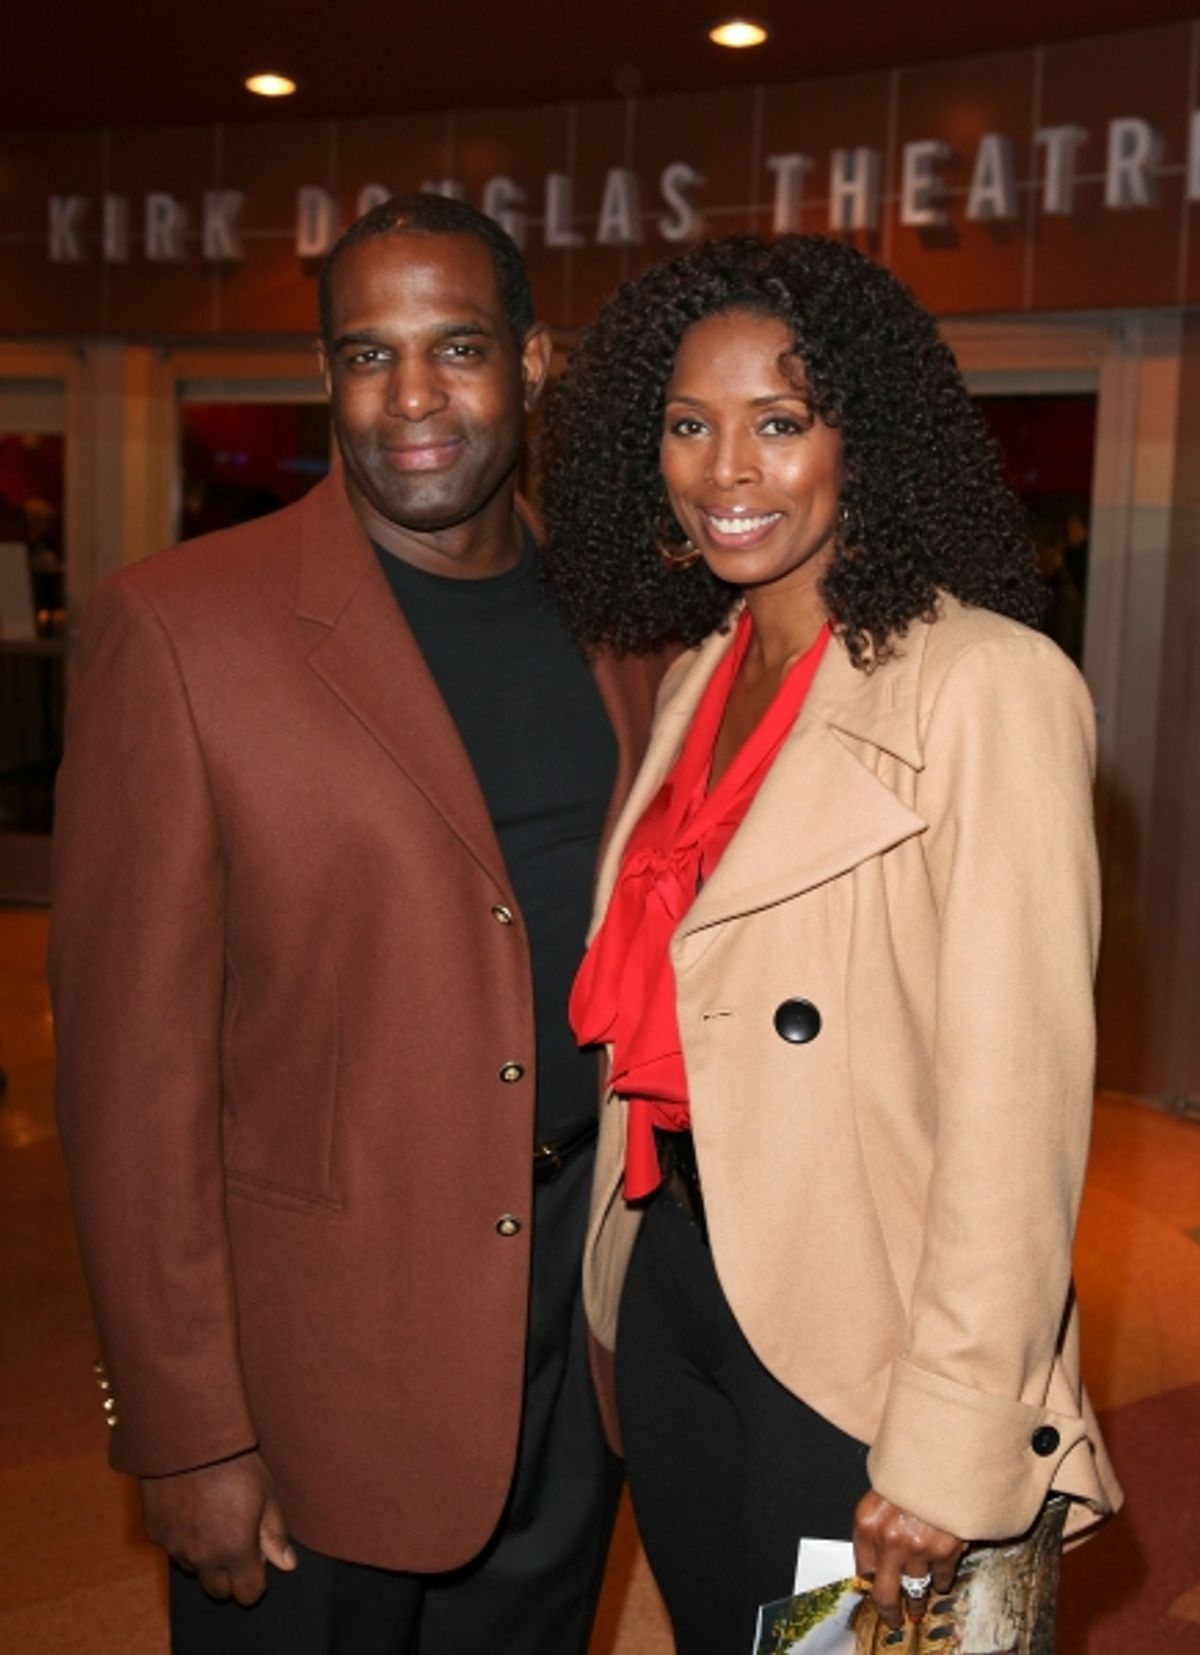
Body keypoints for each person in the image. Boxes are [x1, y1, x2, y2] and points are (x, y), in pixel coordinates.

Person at [49, 193, 666, 1655]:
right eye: (365, 355)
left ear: (532, 360)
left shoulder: (633, 617)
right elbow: (129, 1085)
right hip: (317, 1369)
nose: (412, 400)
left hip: (575, 1324)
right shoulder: (184, 631)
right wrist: (184, 1428)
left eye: (455, 348)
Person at [539, 233, 1122, 1654]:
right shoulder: (696, 676)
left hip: (859, 1327)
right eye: (688, 425)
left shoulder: (986, 687)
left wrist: (950, 1438)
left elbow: (1017, 1104)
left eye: (779, 423)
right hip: (678, 1279)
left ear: (864, 436)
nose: (725, 470)